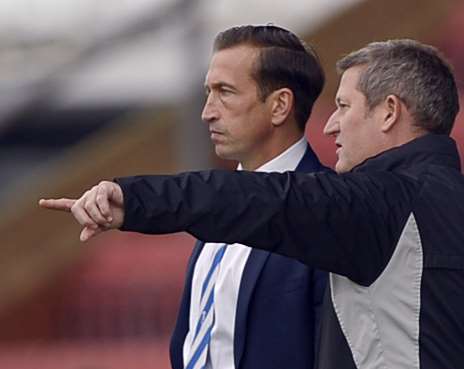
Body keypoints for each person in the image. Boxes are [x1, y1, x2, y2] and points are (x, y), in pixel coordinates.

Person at [40, 39, 464, 369]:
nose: (331, 126)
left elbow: (267, 198)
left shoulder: (385, 204)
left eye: (344, 107)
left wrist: (134, 199)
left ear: (390, 112)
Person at [45, 25, 328, 369]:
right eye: (208, 92)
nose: (207, 111)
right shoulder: (218, 207)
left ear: (280, 105)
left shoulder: (327, 211)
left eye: (224, 92)